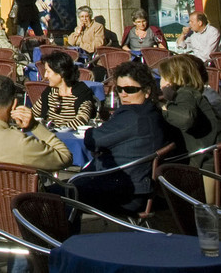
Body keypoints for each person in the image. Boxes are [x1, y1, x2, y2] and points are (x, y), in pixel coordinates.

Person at [74, 60, 182, 214]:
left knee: (54, 195)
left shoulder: (132, 116)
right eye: (119, 89)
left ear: (147, 91)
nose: (123, 94)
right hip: (139, 189)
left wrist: (91, 131)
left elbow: (92, 141)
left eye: (130, 89)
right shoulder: (153, 113)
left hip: (121, 192)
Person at [160, 52, 221, 162]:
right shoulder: (193, 93)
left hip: (203, 161)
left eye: (163, 77)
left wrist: (165, 109)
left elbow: (186, 118)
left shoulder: (185, 93)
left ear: (172, 80)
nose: (160, 83)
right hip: (213, 155)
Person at [37, 50, 97, 128]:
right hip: (49, 134)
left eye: (48, 71)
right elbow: (35, 112)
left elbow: (82, 119)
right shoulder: (49, 92)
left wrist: (60, 130)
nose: (45, 75)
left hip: (71, 134)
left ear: (61, 73)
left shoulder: (82, 93)